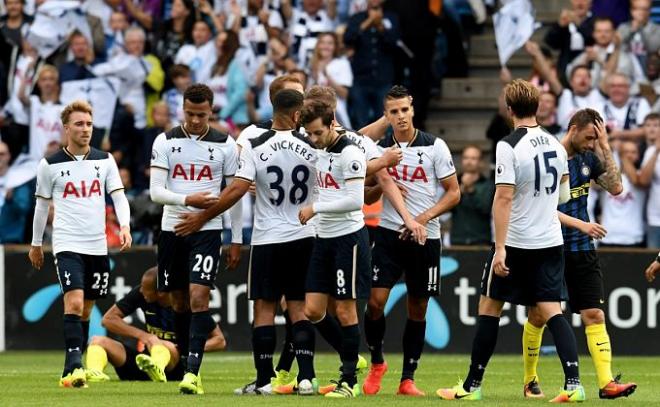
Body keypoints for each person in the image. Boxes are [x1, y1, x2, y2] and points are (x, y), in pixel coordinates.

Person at [436, 79, 584, 402]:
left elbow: (502, 199)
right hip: (550, 240)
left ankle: (471, 387)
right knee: (552, 310)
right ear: (537, 107)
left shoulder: (508, 145)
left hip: (517, 242)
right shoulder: (557, 146)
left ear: (509, 109)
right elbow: (561, 196)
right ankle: (574, 384)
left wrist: (500, 248)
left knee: (489, 307)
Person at [174, 89, 319, 396]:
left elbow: (237, 189)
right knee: (298, 308)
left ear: (273, 110)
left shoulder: (255, 145)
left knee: (264, 311)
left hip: (268, 238)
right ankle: (306, 378)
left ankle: (264, 382)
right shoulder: (313, 144)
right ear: (297, 115)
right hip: (305, 235)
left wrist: (203, 217)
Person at [523, 108, 637, 400]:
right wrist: (583, 225)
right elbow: (543, 208)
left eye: (594, 139)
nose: (590, 144)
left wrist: (605, 146)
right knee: (538, 315)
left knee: (595, 314)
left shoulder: (589, 158)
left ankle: (607, 383)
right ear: (572, 128)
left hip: (582, 249)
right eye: (588, 138)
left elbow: (616, 187)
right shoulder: (549, 157)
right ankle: (530, 379)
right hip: (549, 246)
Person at [362, 85, 460, 396]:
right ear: (386, 115)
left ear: (412, 109)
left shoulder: (435, 146)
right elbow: (365, 193)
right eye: (394, 112)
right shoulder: (379, 149)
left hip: (425, 236)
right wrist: (381, 185)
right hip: (389, 233)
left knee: (418, 307)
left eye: (404, 110)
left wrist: (422, 218)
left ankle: (407, 379)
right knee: (375, 302)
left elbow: (454, 192)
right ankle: (377, 362)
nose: (401, 116)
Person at [28, 100, 132, 388]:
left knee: (85, 309)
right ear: (66, 128)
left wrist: (124, 225)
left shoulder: (105, 159)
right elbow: (41, 207)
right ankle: (76, 367)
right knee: (73, 302)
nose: (85, 129)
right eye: (79, 124)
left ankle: (69, 368)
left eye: (88, 124)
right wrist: (36, 244)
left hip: (98, 246)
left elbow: (118, 196)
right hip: (67, 243)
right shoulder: (49, 164)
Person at [149, 83, 243, 395]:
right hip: (173, 229)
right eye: (189, 113)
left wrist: (236, 238)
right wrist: (188, 200)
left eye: (201, 114)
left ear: (211, 111)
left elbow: (235, 193)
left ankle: (193, 372)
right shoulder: (165, 140)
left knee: (198, 297)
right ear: (183, 109)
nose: (194, 120)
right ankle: (182, 364)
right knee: (177, 300)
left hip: (208, 230)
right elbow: (156, 191)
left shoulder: (226, 144)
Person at [298, 99, 369, 398]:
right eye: (309, 134)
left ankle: (349, 381)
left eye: (317, 133)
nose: (313, 139)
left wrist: (316, 207)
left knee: (344, 308)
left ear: (331, 124)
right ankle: (352, 357)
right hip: (323, 239)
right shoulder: (319, 149)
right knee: (313, 310)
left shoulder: (350, 152)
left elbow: (355, 200)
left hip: (347, 239)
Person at [85, 267, 226, 382]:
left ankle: (157, 368)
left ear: (160, 292)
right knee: (98, 341)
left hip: (175, 368)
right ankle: (94, 373)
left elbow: (220, 341)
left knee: (166, 346)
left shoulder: (186, 304)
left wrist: (189, 349)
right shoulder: (141, 295)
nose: (141, 290)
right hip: (144, 360)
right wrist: (144, 336)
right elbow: (108, 319)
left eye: (145, 288)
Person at [451, 145, 493, 245]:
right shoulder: (453, 183)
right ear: (462, 160)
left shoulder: (488, 184)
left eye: (473, 158)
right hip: (458, 240)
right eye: (466, 158)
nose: (469, 161)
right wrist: (461, 189)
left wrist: (471, 190)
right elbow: (444, 207)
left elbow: (485, 208)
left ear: (481, 162)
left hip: (481, 241)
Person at [639, 113, 660, 248]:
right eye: (648, 125)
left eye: (656, 125)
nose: (652, 129)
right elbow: (644, 180)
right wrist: (657, 150)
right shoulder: (650, 151)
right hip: (655, 219)